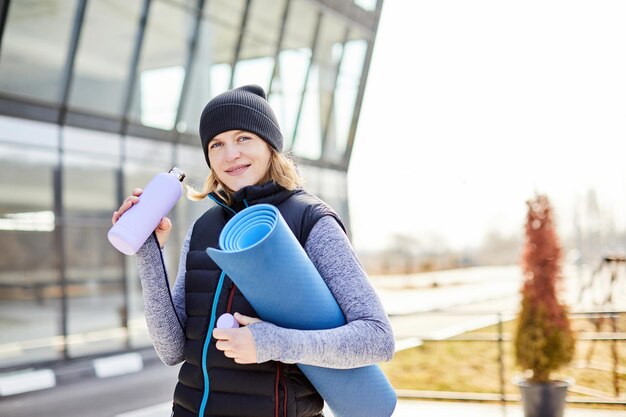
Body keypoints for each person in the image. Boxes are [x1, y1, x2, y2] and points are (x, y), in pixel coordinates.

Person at [112, 85, 394, 417]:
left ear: (270, 145)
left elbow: (377, 338)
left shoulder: (309, 220)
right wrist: (148, 251)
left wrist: (273, 343)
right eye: (216, 144)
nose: (230, 154)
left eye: (243, 137)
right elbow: (172, 349)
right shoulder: (203, 230)